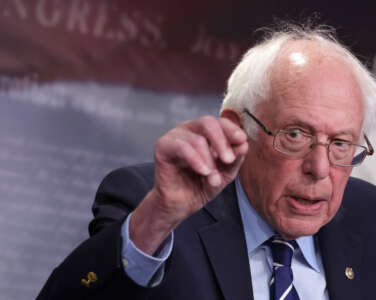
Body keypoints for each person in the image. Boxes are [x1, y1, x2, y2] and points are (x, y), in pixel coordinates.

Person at [37, 24, 376, 300]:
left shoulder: (368, 215)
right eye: (295, 135)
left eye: (340, 143)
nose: (319, 169)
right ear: (236, 127)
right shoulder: (151, 205)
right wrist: (158, 217)